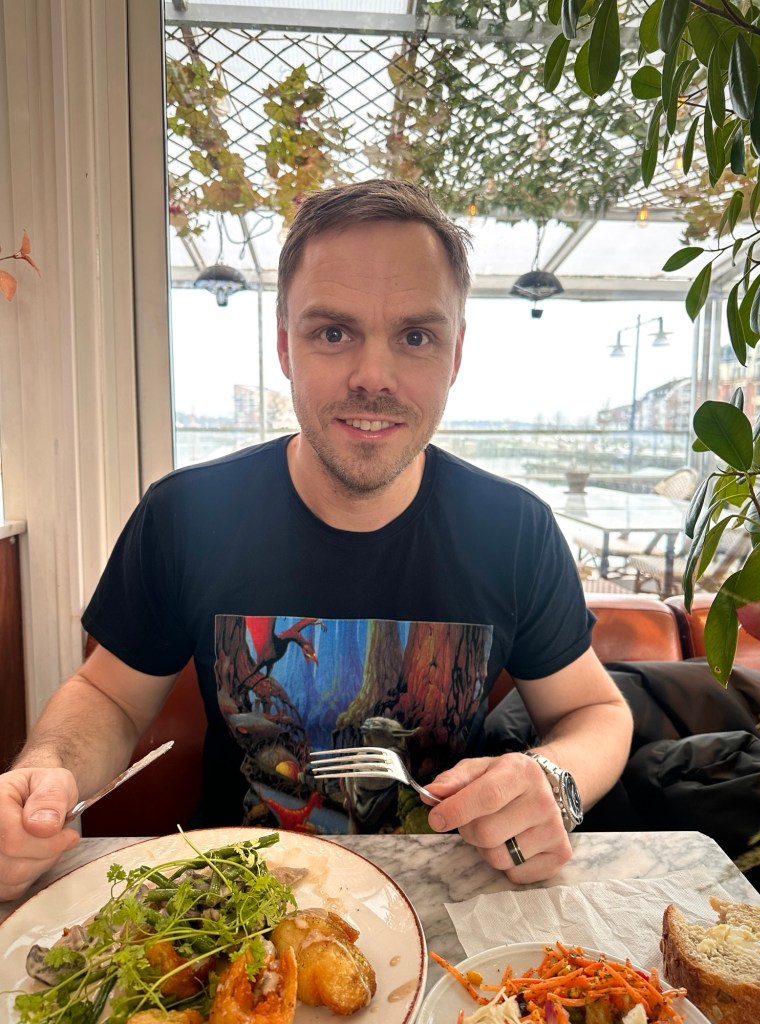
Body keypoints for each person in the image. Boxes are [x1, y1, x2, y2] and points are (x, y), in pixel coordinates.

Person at [0, 179, 633, 902]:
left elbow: (596, 713)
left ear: (455, 355)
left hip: (453, 906)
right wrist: (43, 775)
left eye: (415, 337)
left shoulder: (514, 531)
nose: (372, 377)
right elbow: (108, 698)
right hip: (231, 908)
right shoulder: (184, 515)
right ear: (284, 346)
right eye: (333, 333)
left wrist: (554, 778)